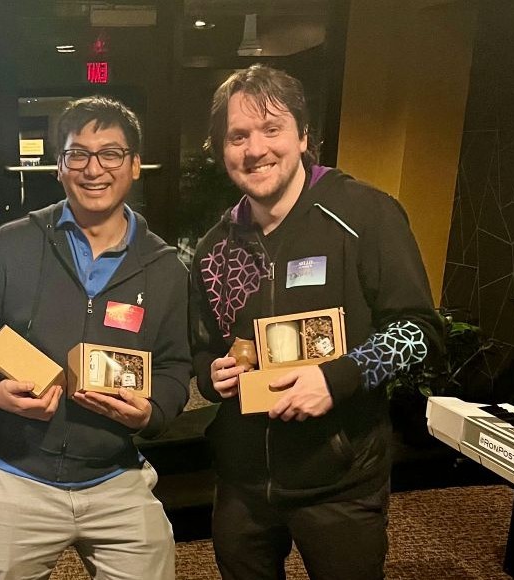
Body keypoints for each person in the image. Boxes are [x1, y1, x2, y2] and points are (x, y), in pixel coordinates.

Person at [189, 64, 443, 579]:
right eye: (238, 136)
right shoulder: (215, 249)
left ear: (304, 136)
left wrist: (336, 378)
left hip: (339, 482)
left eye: (271, 129)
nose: (255, 148)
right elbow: (203, 348)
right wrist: (210, 375)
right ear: (221, 149)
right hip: (242, 485)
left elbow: (420, 332)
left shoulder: (366, 215)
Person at [0, 96, 190, 579]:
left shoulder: (164, 268)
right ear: (59, 167)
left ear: (135, 166)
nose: (93, 169)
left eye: (110, 154)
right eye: (77, 154)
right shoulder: (11, 244)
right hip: (17, 473)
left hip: (116, 476)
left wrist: (151, 412)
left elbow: (174, 367)